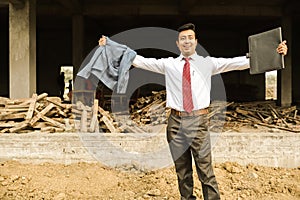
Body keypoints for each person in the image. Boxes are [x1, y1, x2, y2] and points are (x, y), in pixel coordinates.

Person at [98, 23, 288, 200]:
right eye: (183, 38)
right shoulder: (169, 64)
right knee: (182, 171)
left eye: (190, 37)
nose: (187, 41)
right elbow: (138, 60)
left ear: (195, 42)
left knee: (205, 170)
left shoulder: (208, 63)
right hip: (175, 122)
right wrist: (110, 45)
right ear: (178, 43)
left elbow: (238, 62)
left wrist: (274, 51)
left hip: (199, 121)